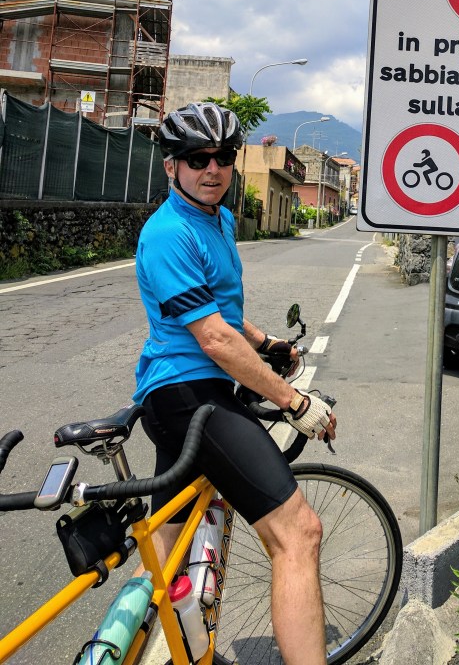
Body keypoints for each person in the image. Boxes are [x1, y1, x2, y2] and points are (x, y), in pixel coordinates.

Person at [133, 101, 336, 665]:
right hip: (189, 395)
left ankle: (146, 648)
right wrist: (294, 402)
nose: (213, 169)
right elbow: (214, 339)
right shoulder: (169, 233)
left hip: (193, 394)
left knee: (167, 549)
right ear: (171, 166)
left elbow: (223, 313)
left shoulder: (218, 219)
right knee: (298, 533)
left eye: (223, 157)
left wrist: (266, 341)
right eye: (197, 159)